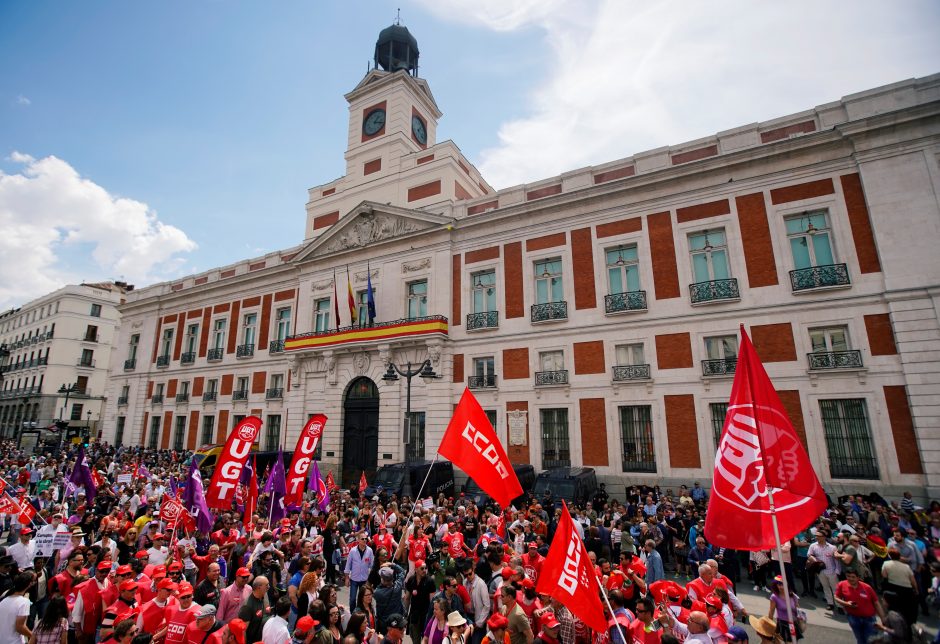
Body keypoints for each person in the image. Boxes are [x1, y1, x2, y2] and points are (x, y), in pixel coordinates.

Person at [835, 568, 885, 644]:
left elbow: (876, 603)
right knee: (860, 639)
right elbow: (836, 597)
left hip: (869, 619)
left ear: (858, 578)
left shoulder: (867, 588)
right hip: (853, 618)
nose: (850, 579)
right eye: (848, 576)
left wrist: (883, 619)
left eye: (853, 577)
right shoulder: (842, 584)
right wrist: (846, 603)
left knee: (870, 640)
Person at [0, 572, 35, 644]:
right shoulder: (24, 602)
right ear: (29, 584)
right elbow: (20, 627)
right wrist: (33, 636)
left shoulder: (4, 598)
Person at [766, 577, 801, 642]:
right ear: (776, 585)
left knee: (793, 642)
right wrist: (769, 626)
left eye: (783, 584)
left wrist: (800, 622)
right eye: (779, 584)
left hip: (793, 624)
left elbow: (798, 611)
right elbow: (771, 612)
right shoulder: (774, 597)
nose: (781, 587)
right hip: (782, 624)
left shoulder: (792, 595)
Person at [238, 576, 271, 644]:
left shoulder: (265, 595)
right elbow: (242, 631)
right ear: (259, 587)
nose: (269, 587)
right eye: (267, 585)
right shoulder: (247, 606)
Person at [344, 534, 373, 609]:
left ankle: (362, 614)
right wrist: (347, 578)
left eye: (366, 539)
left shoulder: (369, 551)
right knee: (353, 599)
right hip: (354, 579)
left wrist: (371, 580)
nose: (364, 540)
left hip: (364, 580)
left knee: (363, 599)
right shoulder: (353, 551)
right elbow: (348, 565)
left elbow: (371, 565)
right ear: (358, 540)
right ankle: (352, 614)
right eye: (362, 539)